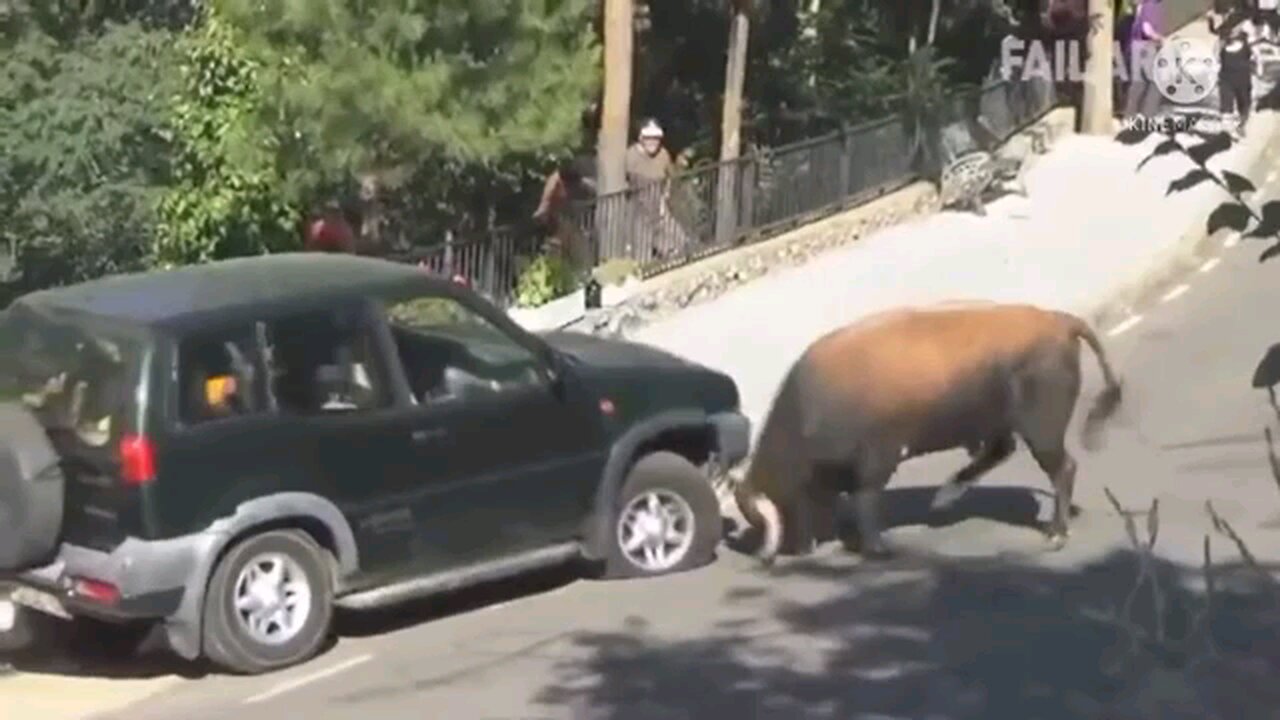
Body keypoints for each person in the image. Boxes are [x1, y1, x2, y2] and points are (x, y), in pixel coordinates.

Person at [1210, 1, 1257, 138]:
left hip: (1243, 76)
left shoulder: (1246, 29)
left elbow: (1254, 49)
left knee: (1245, 106)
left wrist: (1258, 64)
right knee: (1226, 106)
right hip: (1227, 76)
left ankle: (1241, 125)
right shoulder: (1223, 35)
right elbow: (1216, 51)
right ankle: (1227, 132)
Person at [1124, 0, 1166, 121]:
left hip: (1136, 45)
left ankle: (1129, 115)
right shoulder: (1152, 5)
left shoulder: (1143, 5)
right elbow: (1146, 29)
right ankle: (1148, 115)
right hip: (1147, 46)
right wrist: (1160, 38)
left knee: (1138, 82)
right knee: (1156, 82)